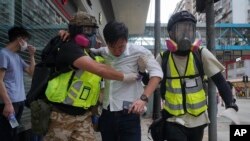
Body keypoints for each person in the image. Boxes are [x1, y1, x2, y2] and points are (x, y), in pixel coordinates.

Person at [43, 11, 139, 141]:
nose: (92, 35)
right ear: (75, 31)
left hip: (84, 116)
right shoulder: (68, 48)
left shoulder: (88, 53)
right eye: (87, 30)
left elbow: (107, 62)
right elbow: (100, 69)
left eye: (93, 30)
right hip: (61, 116)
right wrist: (126, 77)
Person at [156, 11, 238, 141]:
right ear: (171, 33)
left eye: (189, 30)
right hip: (173, 119)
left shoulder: (201, 54)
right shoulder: (163, 58)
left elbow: (220, 81)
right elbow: (150, 80)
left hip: (198, 120)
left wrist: (230, 103)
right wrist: (143, 73)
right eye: (181, 30)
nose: (185, 35)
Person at [90, 21, 163, 141]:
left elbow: (157, 74)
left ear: (126, 40)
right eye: (112, 47)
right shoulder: (103, 52)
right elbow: (82, 51)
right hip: (107, 113)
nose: (117, 51)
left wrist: (143, 99)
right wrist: (65, 35)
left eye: (121, 46)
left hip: (129, 114)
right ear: (107, 42)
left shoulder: (139, 52)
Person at [0, 26, 36, 141]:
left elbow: (32, 72)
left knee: (13, 131)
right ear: (19, 39)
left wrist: (31, 55)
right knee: (7, 134)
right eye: (25, 40)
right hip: (10, 103)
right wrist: (8, 103)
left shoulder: (16, 56)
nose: (26, 43)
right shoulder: (3, 54)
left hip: (19, 101)